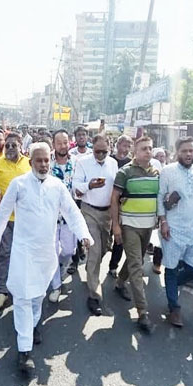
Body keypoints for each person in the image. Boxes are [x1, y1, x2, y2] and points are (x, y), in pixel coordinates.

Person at [0, 142, 93, 374]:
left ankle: (33, 326)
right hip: (24, 252)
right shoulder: (19, 184)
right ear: (30, 160)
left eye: (47, 160)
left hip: (46, 253)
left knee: (37, 297)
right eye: (39, 160)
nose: (44, 165)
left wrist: (84, 235)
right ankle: (24, 352)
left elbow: (72, 212)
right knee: (24, 299)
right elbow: (3, 212)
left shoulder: (57, 186)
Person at [111, 135, 160, 333]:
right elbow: (114, 199)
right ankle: (142, 312)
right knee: (137, 265)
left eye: (150, 148)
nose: (148, 151)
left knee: (136, 259)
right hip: (129, 225)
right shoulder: (125, 172)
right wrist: (116, 226)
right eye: (143, 149)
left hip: (148, 226)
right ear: (135, 153)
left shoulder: (157, 172)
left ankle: (120, 282)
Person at [157, 137, 193, 327]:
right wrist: (163, 221)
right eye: (184, 151)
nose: (188, 154)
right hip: (172, 228)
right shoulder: (167, 171)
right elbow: (160, 196)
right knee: (171, 267)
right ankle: (174, 307)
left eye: (191, 150)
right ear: (177, 152)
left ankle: (173, 284)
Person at [0, 131, 31, 310]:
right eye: (7, 145)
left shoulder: (30, 163)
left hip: (26, 221)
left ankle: (21, 289)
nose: (10, 148)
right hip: (6, 220)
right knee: (4, 254)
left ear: (21, 146)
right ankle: (2, 291)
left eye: (13, 145)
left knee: (24, 256)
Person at [73, 134, 118, 316]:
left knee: (104, 249)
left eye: (104, 152)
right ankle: (94, 295)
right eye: (97, 151)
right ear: (92, 148)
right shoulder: (83, 162)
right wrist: (89, 186)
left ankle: (91, 269)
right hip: (89, 211)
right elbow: (76, 186)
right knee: (94, 250)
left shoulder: (113, 163)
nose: (100, 155)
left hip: (107, 213)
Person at [47, 129, 76, 303]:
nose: (63, 146)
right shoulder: (46, 161)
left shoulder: (77, 162)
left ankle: (60, 267)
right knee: (52, 252)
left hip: (68, 217)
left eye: (65, 142)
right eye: (59, 143)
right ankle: (56, 286)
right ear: (54, 144)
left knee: (68, 251)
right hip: (49, 217)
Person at [107, 135, 133, 277]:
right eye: (124, 145)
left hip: (122, 205)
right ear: (117, 145)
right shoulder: (110, 160)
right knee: (105, 237)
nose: (126, 149)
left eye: (129, 146)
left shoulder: (131, 164)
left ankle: (113, 266)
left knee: (119, 237)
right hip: (106, 203)